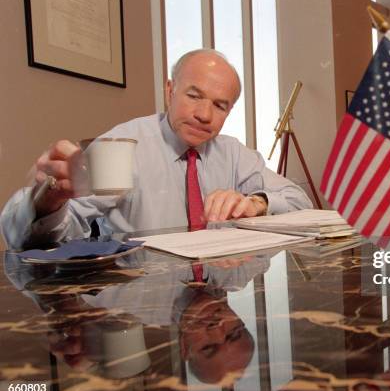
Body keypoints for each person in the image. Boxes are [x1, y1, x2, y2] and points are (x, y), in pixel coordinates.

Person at [1, 49, 312, 249]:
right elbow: (24, 237)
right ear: (169, 90)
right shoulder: (125, 147)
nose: (204, 114)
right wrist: (48, 203)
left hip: (218, 293)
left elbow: (300, 201)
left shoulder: (233, 154)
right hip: (139, 310)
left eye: (220, 105)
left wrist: (257, 202)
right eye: (193, 95)